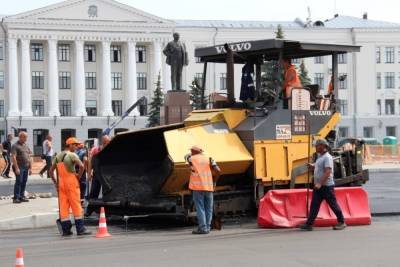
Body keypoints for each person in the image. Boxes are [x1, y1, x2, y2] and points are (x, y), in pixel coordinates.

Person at [299, 139, 346, 231]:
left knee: (333, 205)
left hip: (326, 186)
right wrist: (313, 166)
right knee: (314, 205)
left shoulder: (327, 157)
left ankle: (342, 222)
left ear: (322, 146)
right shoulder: (320, 157)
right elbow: (320, 167)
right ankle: (309, 224)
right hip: (319, 186)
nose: (315, 148)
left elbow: (328, 172)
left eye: (317, 146)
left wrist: (320, 183)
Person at [49, 137, 91, 236]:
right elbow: (81, 166)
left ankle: (66, 230)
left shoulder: (58, 155)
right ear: (70, 145)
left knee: (64, 207)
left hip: (61, 184)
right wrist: (79, 177)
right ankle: (80, 229)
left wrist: (56, 183)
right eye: (75, 145)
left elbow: (51, 171)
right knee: (76, 205)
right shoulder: (72, 155)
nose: (77, 147)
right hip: (71, 183)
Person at [185, 145, 221, 234]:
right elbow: (218, 170)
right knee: (208, 208)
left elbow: (186, 156)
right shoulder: (209, 158)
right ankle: (208, 227)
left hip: (197, 188)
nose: (191, 152)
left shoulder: (191, 158)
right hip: (209, 187)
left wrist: (192, 154)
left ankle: (202, 228)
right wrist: (214, 182)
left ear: (194, 151)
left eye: (192, 151)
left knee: (200, 208)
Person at [11, 132, 32, 204]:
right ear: (20, 137)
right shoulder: (15, 146)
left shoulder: (26, 145)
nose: (26, 139)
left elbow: (29, 156)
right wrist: (16, 168)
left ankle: (21, 196)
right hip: (19, 166)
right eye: (25, 137)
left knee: (24, 181)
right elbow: (13, 157)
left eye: (26, 137)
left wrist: (30, 168)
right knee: (19, 181)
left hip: (26, 166)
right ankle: (16, 198)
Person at [88, 135, 111, 199]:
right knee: (94, 190)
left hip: (106, 173)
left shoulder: (110, 150)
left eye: (108, 141)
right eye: (106, 142)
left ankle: (106, 202)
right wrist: (89, 173)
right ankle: (92, 203)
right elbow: (90, 162)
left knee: (106, 191)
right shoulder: (95, 150)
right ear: (103, 142)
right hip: (97, 173)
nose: (107, 143)